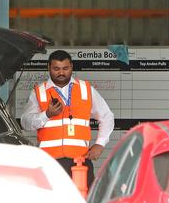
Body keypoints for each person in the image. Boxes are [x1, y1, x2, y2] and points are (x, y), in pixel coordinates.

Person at [21, 50, 114, 187]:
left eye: (65, 68)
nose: (61, 73)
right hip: (49, 163)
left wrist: (100, 144)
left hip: (80, 162)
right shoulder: (39, 92)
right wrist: (46, 114)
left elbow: (107, 116)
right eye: (56, 69)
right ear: (49, 67)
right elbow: (25, 122)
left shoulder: (85, 89)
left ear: (71, 66)